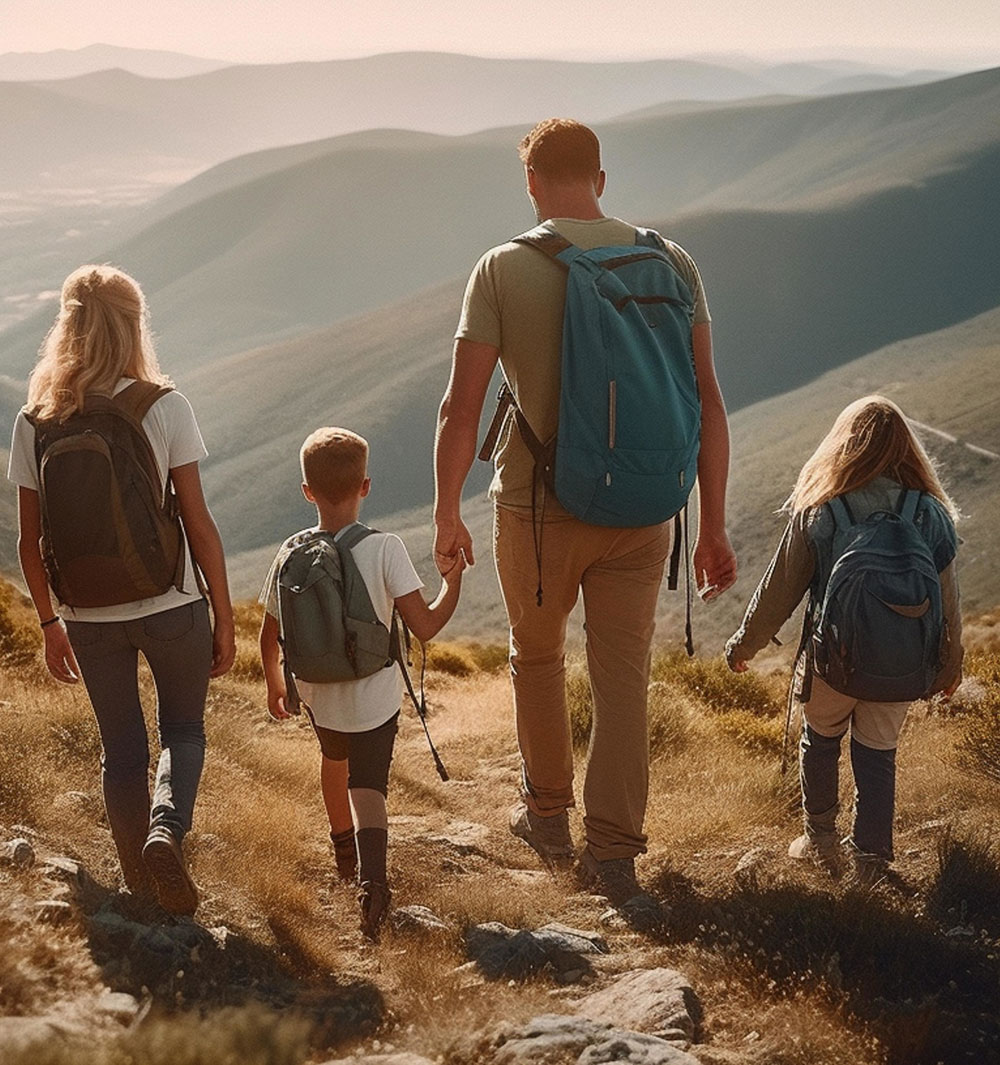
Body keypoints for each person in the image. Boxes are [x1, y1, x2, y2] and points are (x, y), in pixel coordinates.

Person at [433, 118, 737, 900]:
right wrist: (714, 525)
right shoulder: (673, 261)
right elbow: (707, 401)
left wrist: (446, 511)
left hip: (540, 509)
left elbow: (459, 411)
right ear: (601, 178)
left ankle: (547, 815)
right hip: (645, 509)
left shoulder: (503, 267)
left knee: (536, 657)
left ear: (530, 181)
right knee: (622, 677)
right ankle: (616, 851)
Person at [8, 264, 235, 915]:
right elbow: (199, 521)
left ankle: (142, 890)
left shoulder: (36, 419)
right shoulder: (162, 404)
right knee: (183, 730)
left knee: (122, 750)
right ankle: (168, 830)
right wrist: (223, 614)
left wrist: (51, 624)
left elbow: (30, 541)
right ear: (135, 324)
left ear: (68, 327)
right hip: (171, 602)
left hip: (86, 613)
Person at [725, 395, 963, 884]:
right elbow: (948, 600)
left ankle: (819, 839)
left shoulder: (823, 506)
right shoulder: (929, 513)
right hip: (901, 662)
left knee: (821, 738)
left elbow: (780, 588)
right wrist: (949, 664)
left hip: (833, 660)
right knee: (878, 751)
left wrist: (745, 644)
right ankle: (871, 859)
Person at [259, 427, 465, 940]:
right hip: (375, 696)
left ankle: (343, 855)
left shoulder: (290, 551)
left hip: (318, 696)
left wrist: (273, 686)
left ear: (307, 492)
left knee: (335, 760)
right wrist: (453, 579)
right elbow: (427, 626)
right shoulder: (385, 548)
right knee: (368, 782)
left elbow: (269, 632)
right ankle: (373, 881)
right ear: (366, 486)